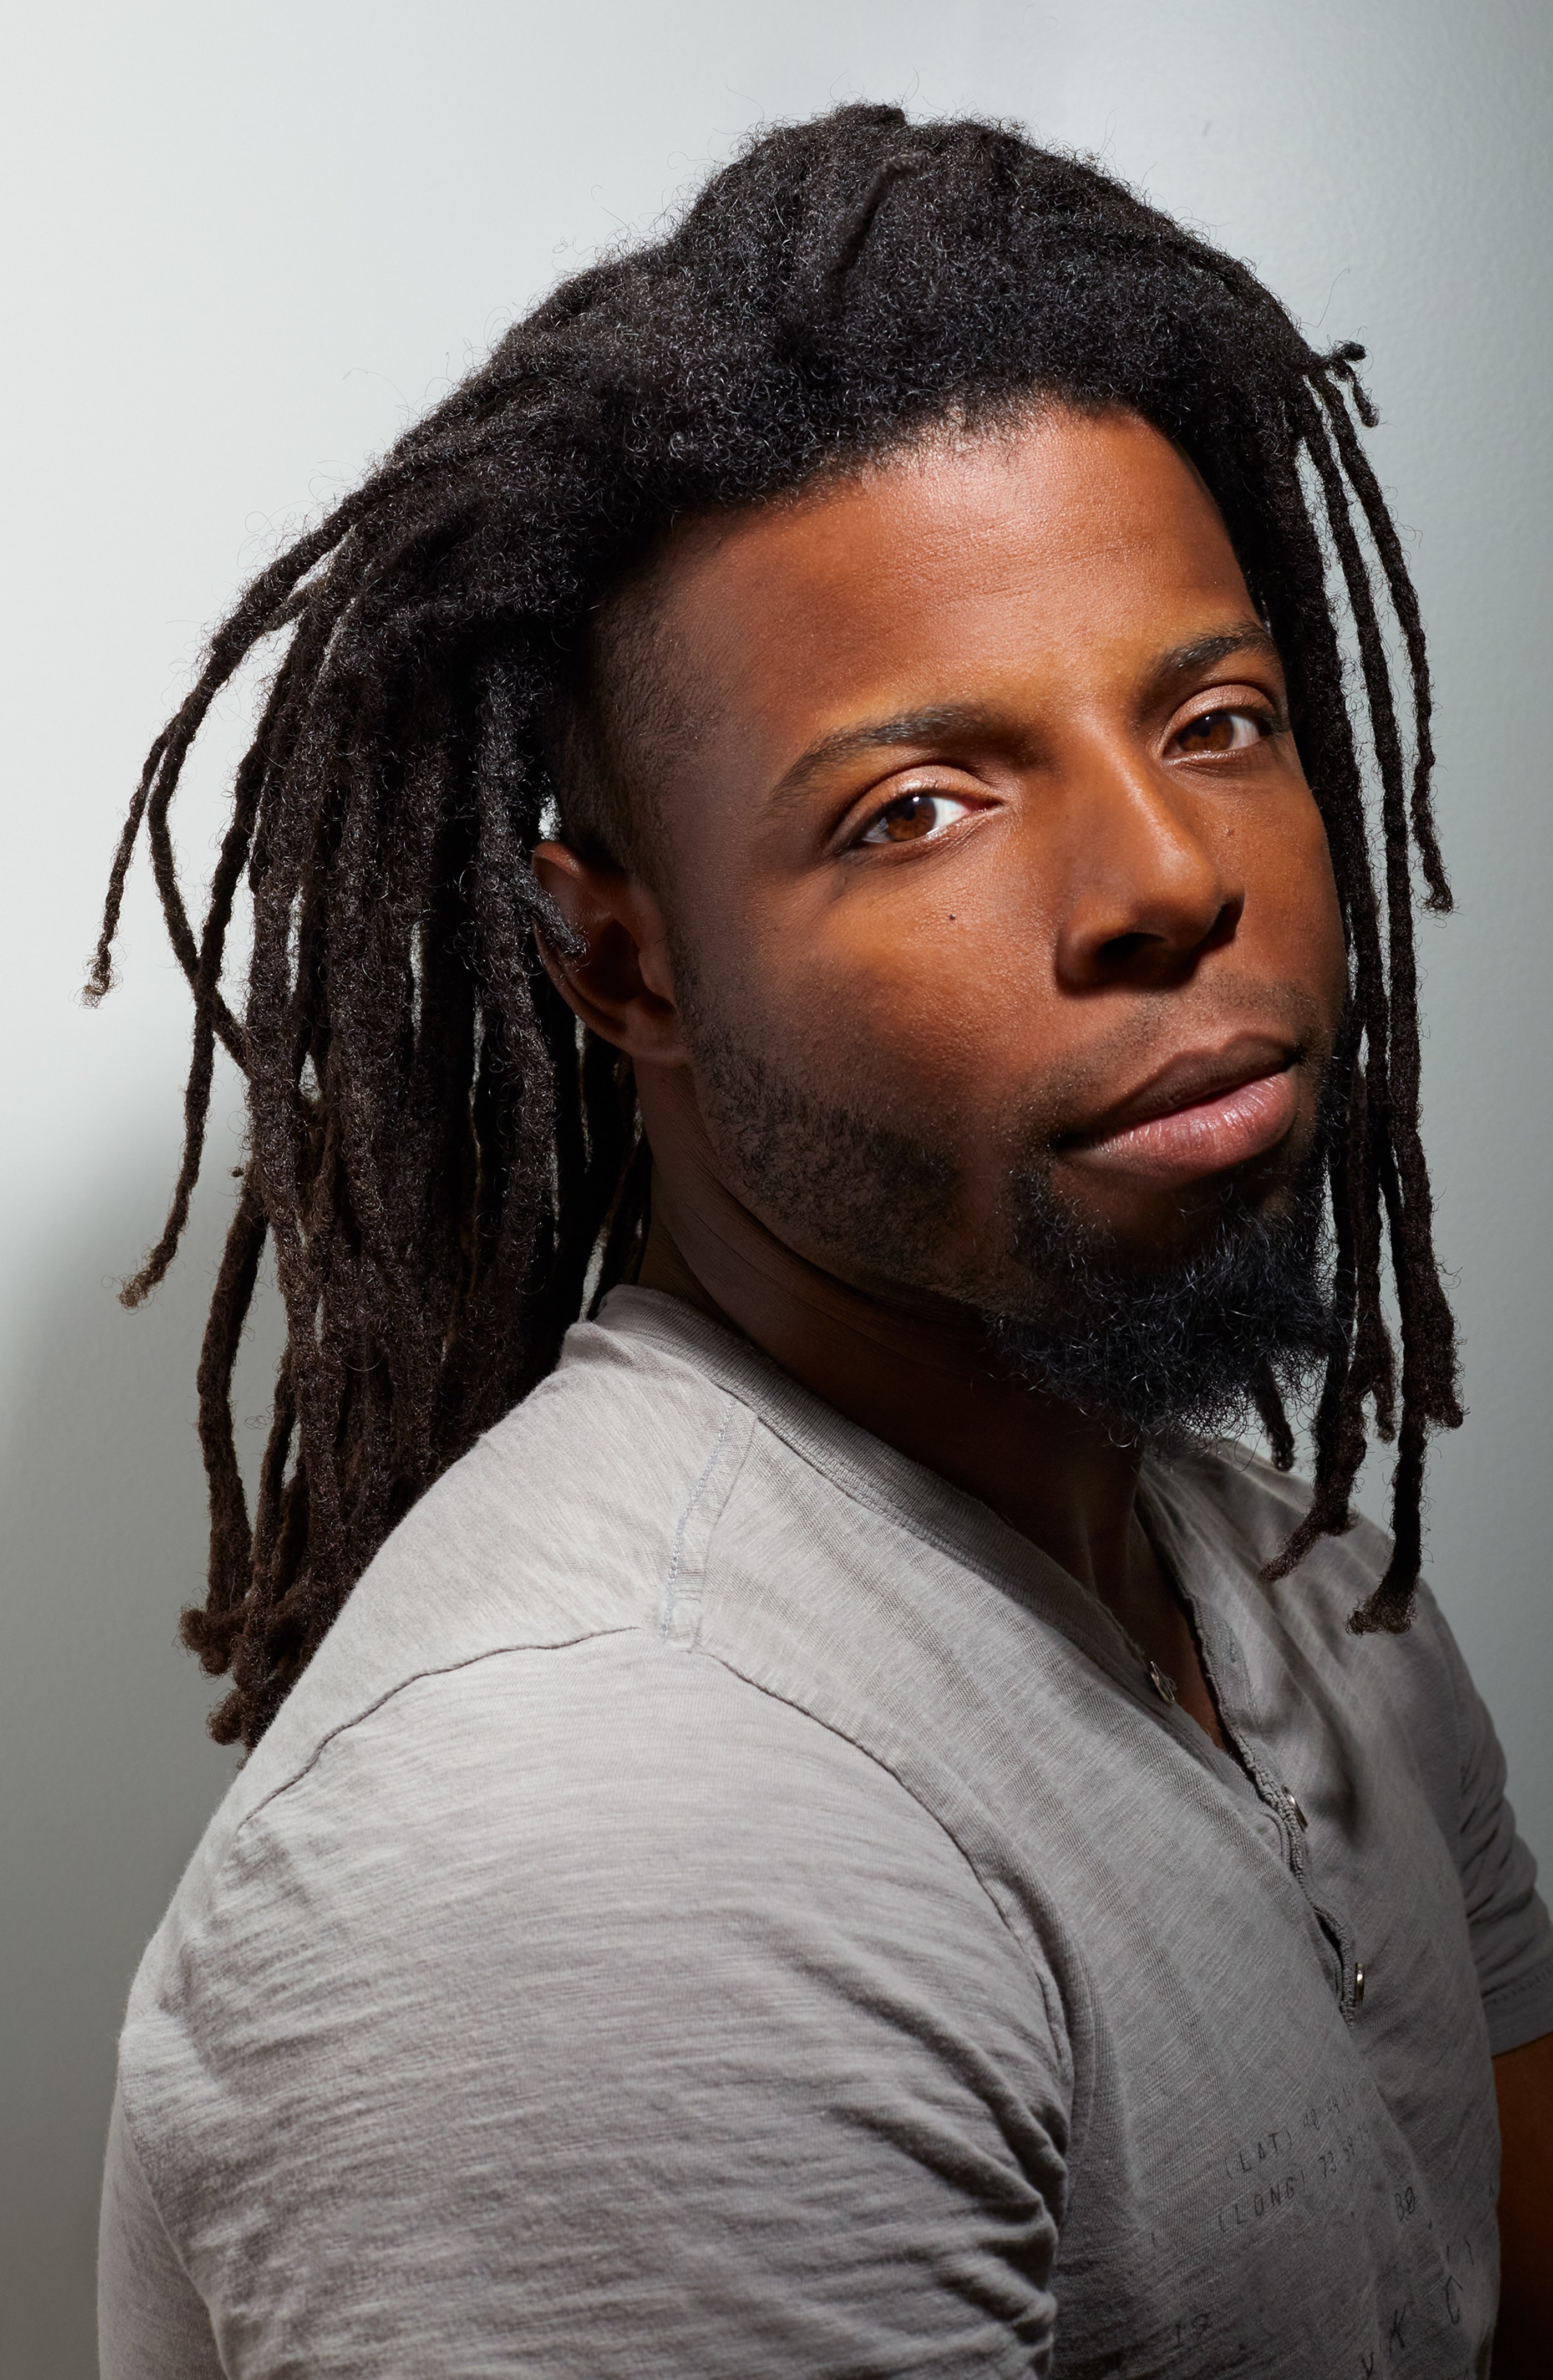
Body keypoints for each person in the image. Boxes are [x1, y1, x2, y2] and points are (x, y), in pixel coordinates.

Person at [93, 105, 1551, 2377]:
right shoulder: (609, 1851)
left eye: (1217, 719)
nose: (1174, 874)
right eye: (918, 807)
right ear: (621, 959)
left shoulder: (1302, 1593)